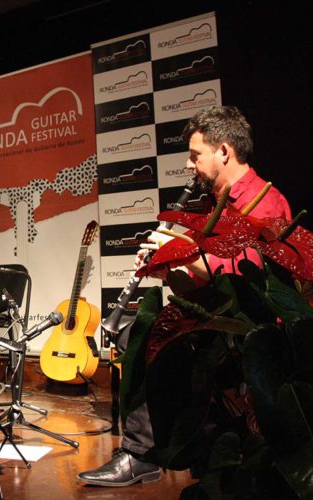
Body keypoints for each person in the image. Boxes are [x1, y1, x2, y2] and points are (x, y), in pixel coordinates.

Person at [78, 106, 291, 487]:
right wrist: (166, 267)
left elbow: (248, 277)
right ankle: (159, 450)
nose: (190, 165)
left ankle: (143, 453)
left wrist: (186, 255)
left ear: (223, 151)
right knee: (139, 332)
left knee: (151, 337)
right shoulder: (215, 206)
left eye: (195, 155)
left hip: (248, 333)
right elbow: (200, 281)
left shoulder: (265, 202)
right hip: (218, 320)